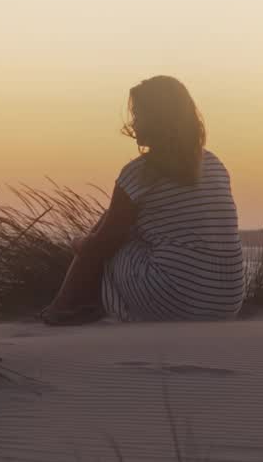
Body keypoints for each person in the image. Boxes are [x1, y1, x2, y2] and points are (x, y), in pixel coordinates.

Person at [40, 75, 244, 325]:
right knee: (131, 230)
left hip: (177, 302)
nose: (133, 123)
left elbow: (102, 245)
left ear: (157, 120)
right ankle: (75, 305)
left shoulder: (139, 173)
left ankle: (63, 307)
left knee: (109, 233)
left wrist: (78, 243)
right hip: (226, 304)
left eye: (138, 115)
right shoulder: (214, 164)